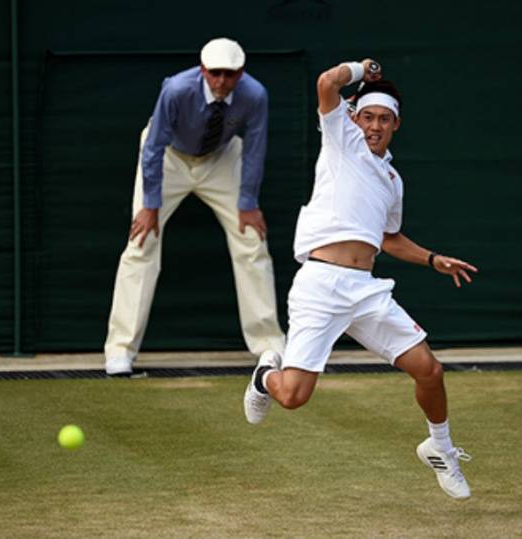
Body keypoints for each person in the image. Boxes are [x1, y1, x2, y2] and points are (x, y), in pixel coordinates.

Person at [243, 58, 479, 499]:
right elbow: (325, 83)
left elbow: (388, 238)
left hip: (366, 291)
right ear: (354, 117)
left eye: (384, 119)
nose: (374, 126)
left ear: (396, 125)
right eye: (368, 116)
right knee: (292, 397)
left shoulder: (392, 179)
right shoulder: (340, 138)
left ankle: (440, 447)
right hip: (320, 285)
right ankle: (264, 377)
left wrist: (432, 259)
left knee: (429, 370)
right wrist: (360, 68)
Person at [104, 38, 285, 375]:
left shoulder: (255, 95)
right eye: (215, 73)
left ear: (240, 73)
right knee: (141, 241)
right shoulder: (176, 89)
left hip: (221, 158)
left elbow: (255, 147)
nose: (221, 81)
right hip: (168, 158)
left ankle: (269, 347)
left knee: (251, 241)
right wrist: (150, 204)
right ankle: (120, 351)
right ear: (202, 70)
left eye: (229, 74)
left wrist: (248, 202)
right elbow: (154, 145)